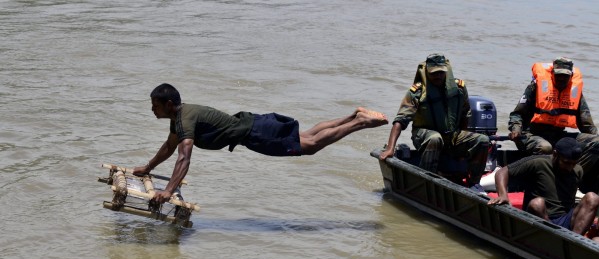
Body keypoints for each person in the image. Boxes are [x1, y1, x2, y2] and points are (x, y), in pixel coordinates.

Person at [133, 83, 388, 203]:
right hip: (257, 123)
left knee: (310, 146)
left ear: (168, 105)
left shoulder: (184, 119)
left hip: (256, 134)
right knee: (309, 135)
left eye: (154, 106)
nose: (151, 110)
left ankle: (359, 123)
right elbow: (169, 147)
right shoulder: (182, 117)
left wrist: (168, 191)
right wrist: (148, 167)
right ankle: (354, 115)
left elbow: (183, 156)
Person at [379, 53, 490, 190]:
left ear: (446, 71)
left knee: (483, 140)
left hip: (451, 135)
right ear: (427, 71)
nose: (438, 76)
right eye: (433, 73)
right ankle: (426, 181)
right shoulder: (417, 91)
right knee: (435, 138)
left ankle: (474, 184)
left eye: (441, 73)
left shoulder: (459, 88)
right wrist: (390, 148)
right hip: (423, 135)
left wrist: (462, 150)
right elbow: (400, 120)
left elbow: (465, 115)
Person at [508, 57, 599, 194]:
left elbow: (586, 123)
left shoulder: (575, 92)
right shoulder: (536, 87)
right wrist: (515, 128)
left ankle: (570, 177)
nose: (562, 79)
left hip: (558, 135)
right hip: (531, 134)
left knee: (597, 143)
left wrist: (595, 140)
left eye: (565, 76)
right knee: (545, 147)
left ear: (571, 76)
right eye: (559, 75)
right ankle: (547, 183)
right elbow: (517, 114)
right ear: (552, 74)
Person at [488, 137, 599, 241]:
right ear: (555, 154)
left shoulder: (578, 170)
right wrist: (503, 195)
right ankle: (554, 239)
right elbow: (502, 172)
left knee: (593, 198)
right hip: (539, 216)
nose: (570, 167)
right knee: (537, 203)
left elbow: (588, 195)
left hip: (565, 218)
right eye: (566, 163)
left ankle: (574, 241)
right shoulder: (538, 162)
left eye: (573, 164)